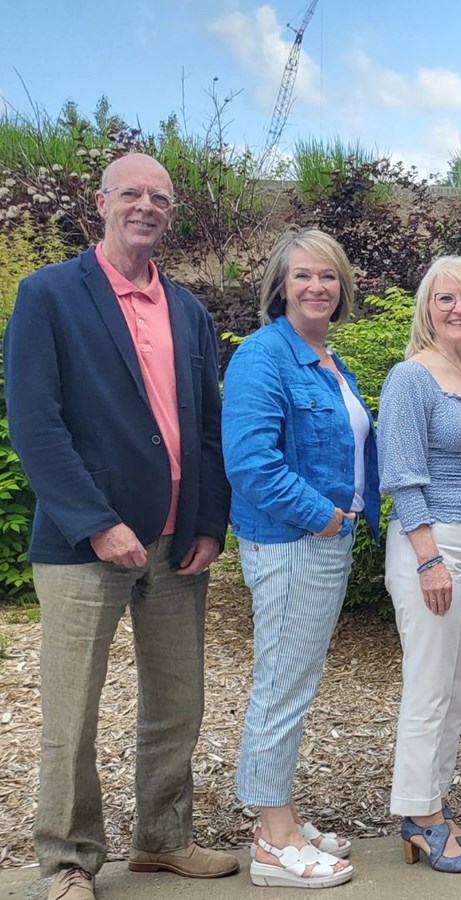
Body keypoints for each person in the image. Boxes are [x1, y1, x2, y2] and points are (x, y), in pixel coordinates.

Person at [3, 153, 237, 900]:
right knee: (71, 710)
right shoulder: (48, 295)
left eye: (159, 197)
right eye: (131, 192)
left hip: (177, 543)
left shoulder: (189, 311)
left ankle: (162, 840)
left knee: (178, 701)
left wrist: (208, 523)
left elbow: (206, 428)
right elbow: (36, 424)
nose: (145, 205)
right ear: (101, 202)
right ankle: (67, 861)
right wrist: (97, 523)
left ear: (171, 213)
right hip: (84, 546)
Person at [223, 228, 379, 888]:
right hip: (291, 543)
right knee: (281, 688)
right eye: (304, 276)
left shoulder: (325, 357)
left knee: (293, 683)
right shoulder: (264, 357)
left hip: (320, 546)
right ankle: (272, 842)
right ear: (280, 286)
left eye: (329, 276)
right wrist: (328, 518)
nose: (318, 286)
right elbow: (252, 465)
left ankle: (279, 816)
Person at [378, 256, 461, 873]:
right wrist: (428, 557)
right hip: (430, 542)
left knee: (458, 686)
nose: (460, 308)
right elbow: (403, 477)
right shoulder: (410, 378)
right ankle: (417, 815)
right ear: (427, 308)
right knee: (429, 685)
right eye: (446, 299)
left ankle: (435, 804)